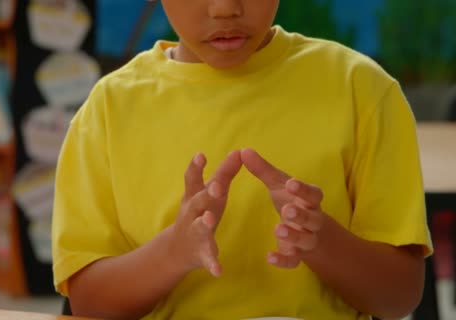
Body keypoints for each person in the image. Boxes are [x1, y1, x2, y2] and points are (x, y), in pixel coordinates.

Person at [51, 1, 433, 319]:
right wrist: (172, 253)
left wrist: (323, 241)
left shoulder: (361, 90)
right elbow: (88, 304)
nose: (225, 8)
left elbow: (399, 298)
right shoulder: (107, 111)